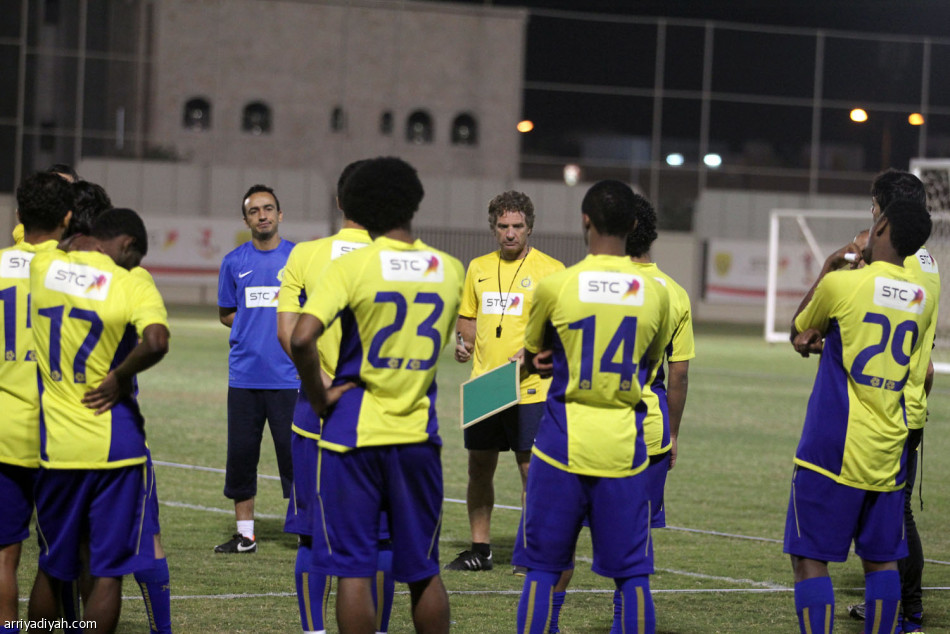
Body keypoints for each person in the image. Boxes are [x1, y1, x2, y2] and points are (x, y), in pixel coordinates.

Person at [290, 156, 461, 634]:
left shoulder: (354, 266)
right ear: (415, 201)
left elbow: (302, 337)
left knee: (353, 571)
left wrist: (320, 396)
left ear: (357, 206)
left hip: (353, 433)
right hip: (417, 434)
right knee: (424, 571)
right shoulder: (450, 269)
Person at [513, 180, 671, 634]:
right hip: (623, 448)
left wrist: (542, 362)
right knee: (632, 574)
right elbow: (650, 363)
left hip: (561, 445)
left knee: (543, 569)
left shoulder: (556, 286)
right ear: (634, 224)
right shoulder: (656, 293)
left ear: (585, 221)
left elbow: (533, 356)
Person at [787, 197, 934, 634]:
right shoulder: (922, 299)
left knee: (810, 556)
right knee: (882, 559)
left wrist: (830, 266)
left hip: (832, 445)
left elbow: (799, 329)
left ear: (883, 224)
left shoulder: (843, 285)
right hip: (888, 448)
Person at [27, 208, 171, 634]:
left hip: (60, 445)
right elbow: (157, 340)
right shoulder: (130, 283)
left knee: (53, 565)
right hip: (117, 443)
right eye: (136, 256)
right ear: (126, 245)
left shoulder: (45, 266)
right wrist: (120, 377)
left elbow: (61, 243)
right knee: (108, 570)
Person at [276, 160, 394, 634]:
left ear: (340, 201)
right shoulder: (398, 260)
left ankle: (314, 631)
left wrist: (321, 382)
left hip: (315, 412)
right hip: (383, 416)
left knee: (312, 536)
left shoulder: (305, 254)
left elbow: (287, 333)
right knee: (382, 539)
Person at [844, 170, 940, 634]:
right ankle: (895, 605)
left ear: (886, 210)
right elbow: (926, 358)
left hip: (886, 407)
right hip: (908, 405)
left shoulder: (900, 263)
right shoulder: (927, 261)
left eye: (873, 202)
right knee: (887, 510)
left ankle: (907, 609)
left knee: (892, 513)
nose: (870, 211)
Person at [447, 191, 564, 573]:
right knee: (479, 468)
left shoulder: (552, 271)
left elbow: (562, 330)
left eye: (517, 226)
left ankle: (532, 551)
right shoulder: (478, 267)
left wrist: (535, 352)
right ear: (493, 228)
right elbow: (468, 316)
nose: (510, 233)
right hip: (485, 385)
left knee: (532, 470)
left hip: (531, 387)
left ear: (530, 227)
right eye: (503, 226)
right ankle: (480, 550)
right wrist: (462, 343)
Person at [0, 173, 73, 634]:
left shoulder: (0, 264)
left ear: (19, 218)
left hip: (4, 429)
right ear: (68, 218)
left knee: (4, 552)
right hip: (61, 434)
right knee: (57, 555)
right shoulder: (78, 275)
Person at [215, 184, 297, 553]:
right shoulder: (234, 262)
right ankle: (245, 534)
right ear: (245, 218)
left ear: (280, 215)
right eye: (254, 211)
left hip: (289, 377)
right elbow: (227, 312)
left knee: (295, 456)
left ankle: (305, 530)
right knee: (242, 455)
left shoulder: (298, 260)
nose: (262, 215)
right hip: (245, 376)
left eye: (268, 209)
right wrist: (254, 326)